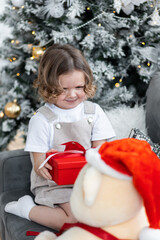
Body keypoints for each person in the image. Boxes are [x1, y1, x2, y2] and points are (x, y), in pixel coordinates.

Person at [5, 44, 116, 230]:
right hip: (55, 185)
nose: (72, 95)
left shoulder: (93, 112)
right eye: (64, 89)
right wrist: (47, 160)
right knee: (74, 222)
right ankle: (27, 209)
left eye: (79, 87)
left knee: (108, 213)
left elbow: (100, 151)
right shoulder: (42, 119)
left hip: (88, 179)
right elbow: (39, 164)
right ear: (49, 86)